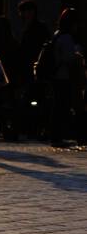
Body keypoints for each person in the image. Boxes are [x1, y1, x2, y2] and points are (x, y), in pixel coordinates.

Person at [13, 0, 50, 139]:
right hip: (28, 68)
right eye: (23, 11)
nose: (24, 14)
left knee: (35, 97)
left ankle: (35, 126)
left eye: (27, 11)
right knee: (32, 97)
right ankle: (33, 126)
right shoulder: (26, 28)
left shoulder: (37, 28)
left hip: (36, 68)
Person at [49, 8, 85, 146]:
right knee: (62, 107)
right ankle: (57, 137)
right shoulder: (67, 37)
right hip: (64, 76)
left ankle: (56, 136)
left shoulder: (57, 34)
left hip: (56, 75)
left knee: (58, 106)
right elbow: (69, 58)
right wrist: (78, 55)